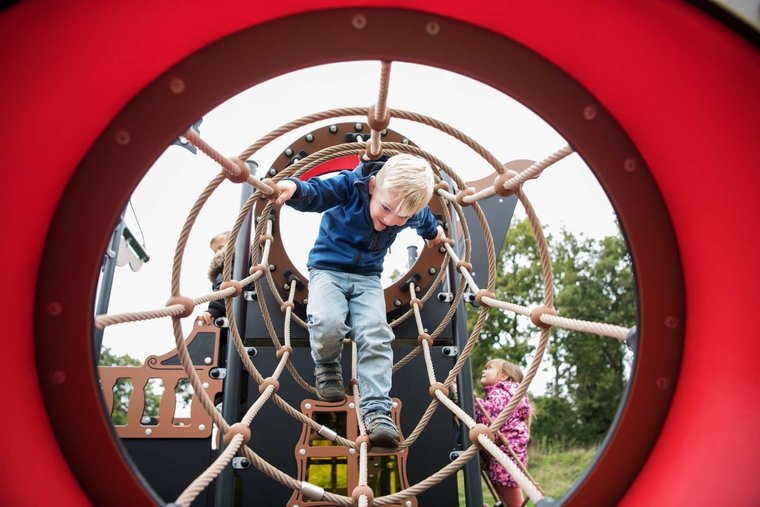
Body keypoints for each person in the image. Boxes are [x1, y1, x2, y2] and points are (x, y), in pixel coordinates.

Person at [275, 153, 445, 448]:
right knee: (327, 320)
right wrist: (294, 188)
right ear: (372, 186)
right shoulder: (350, 185)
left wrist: (434, 234)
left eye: (401, 218)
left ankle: (377, 410)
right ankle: (327, 365)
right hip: (328, 270)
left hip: (368, 278)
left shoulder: (409, 209)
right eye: (386, 209)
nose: (390, 222)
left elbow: (425, 220)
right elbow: (317, 192)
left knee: (376, 334)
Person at [475, 359, 532, 507]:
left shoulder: (501, 393)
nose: (484, 370)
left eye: (489, 368)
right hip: (507, 457)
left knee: (515, 503)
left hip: (506, 459)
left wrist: (471, 401)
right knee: (512, 500)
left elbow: (490, 418)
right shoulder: (509, 393)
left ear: (504, 376)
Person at [196, 231, 230, 326]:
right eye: (215, 251)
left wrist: (213, 310)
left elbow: (224, 287)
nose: (218, 253)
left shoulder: (230, 263)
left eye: (221, 247)